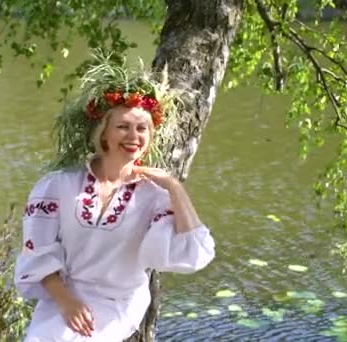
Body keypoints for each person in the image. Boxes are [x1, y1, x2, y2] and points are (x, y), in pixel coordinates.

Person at [13, 52, 215, 341]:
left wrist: (174, 186)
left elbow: (193, 254)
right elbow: (38, 252)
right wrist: (66, 301)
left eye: (142, 128)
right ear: (103, 133)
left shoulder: (155, 198)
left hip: (119, 302)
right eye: (123, 126)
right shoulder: (57, 186)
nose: (133, 135)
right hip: (63, 295)